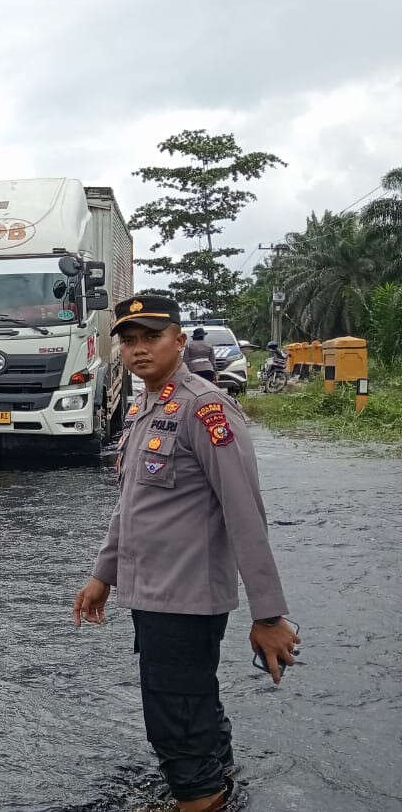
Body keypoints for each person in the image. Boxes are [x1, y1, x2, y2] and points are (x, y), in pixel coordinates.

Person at [72, 294, 300, 812]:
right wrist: (102, 575)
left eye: (151, 337)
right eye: (128, 341)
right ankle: (217, 779)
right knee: (191, 704)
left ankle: (201, 798)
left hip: (187, 597)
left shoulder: (206, 408)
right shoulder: (145, 406)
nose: (138, 350)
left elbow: (246, 515)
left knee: (173, 715)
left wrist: (268, 614)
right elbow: (131, 504)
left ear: (179, 338)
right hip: (152, 592)